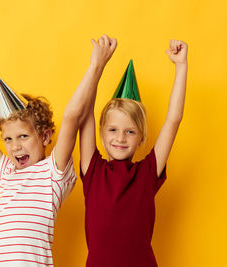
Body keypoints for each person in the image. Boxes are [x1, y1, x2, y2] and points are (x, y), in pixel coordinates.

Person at [0, 45, 114, 266]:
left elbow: (71, 117)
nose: (15, 146)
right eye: (8, 139)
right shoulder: (6, 171)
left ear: (45, 136)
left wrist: (96, 66)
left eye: (23, 136)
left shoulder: (52, 173)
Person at [76, 37, 188, 266]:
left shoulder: (147, 173)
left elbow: (173, 120)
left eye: (130, 131)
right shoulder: (93, 170)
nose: (120, 138)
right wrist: (98, 65)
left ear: (141, 137)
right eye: (113, 130)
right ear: (102, 132)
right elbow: (85, 113)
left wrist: (181, 66)